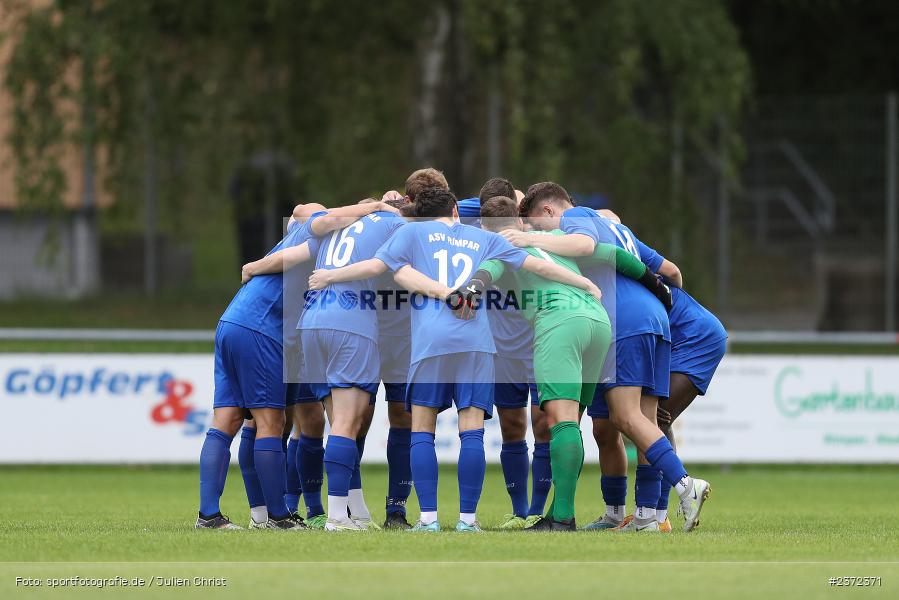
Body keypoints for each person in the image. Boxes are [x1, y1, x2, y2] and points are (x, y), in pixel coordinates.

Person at [307, 187, 601, 532]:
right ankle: (467, 520)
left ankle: (428, 519)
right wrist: (583, 282)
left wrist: (330, 275)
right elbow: (536, 264)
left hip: (430, 340)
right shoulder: (482, 237)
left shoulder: (410, 233)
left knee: (422, 429)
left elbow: (380, 266)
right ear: (456, 212)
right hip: (476, 341)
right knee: (471, 430)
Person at [510, 182, 711, 533]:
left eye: (539, 225)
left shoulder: (575, 217)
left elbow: (585, 246)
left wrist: (528, 238)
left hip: (622, 321)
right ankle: (648, 516)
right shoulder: (615, 226)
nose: (542, 234)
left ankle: (685, 485)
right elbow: (670, 271)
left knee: (626, 416)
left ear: (548, 211)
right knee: (641, 420)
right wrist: (663, 295)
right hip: (653, 319)